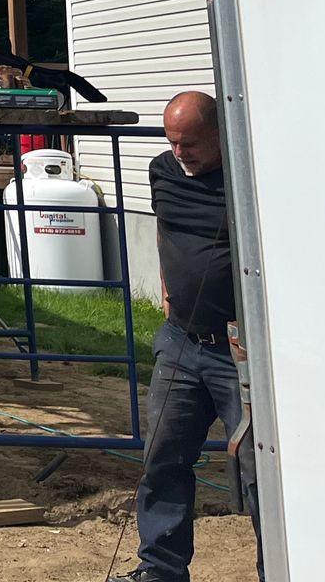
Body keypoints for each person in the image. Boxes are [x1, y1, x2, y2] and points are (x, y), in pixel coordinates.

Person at [113, 90, 261, 582]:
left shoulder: (248, 175)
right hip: (181, 342)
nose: (181, 152)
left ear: (220, 134)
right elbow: (164, 226)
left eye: (191, 142)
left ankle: (277, 567)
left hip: (241, 351)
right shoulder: (163, 171)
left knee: (259, 470)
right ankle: (160, 570)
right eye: (172, 142)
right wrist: (166, 281)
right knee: (164, 459)